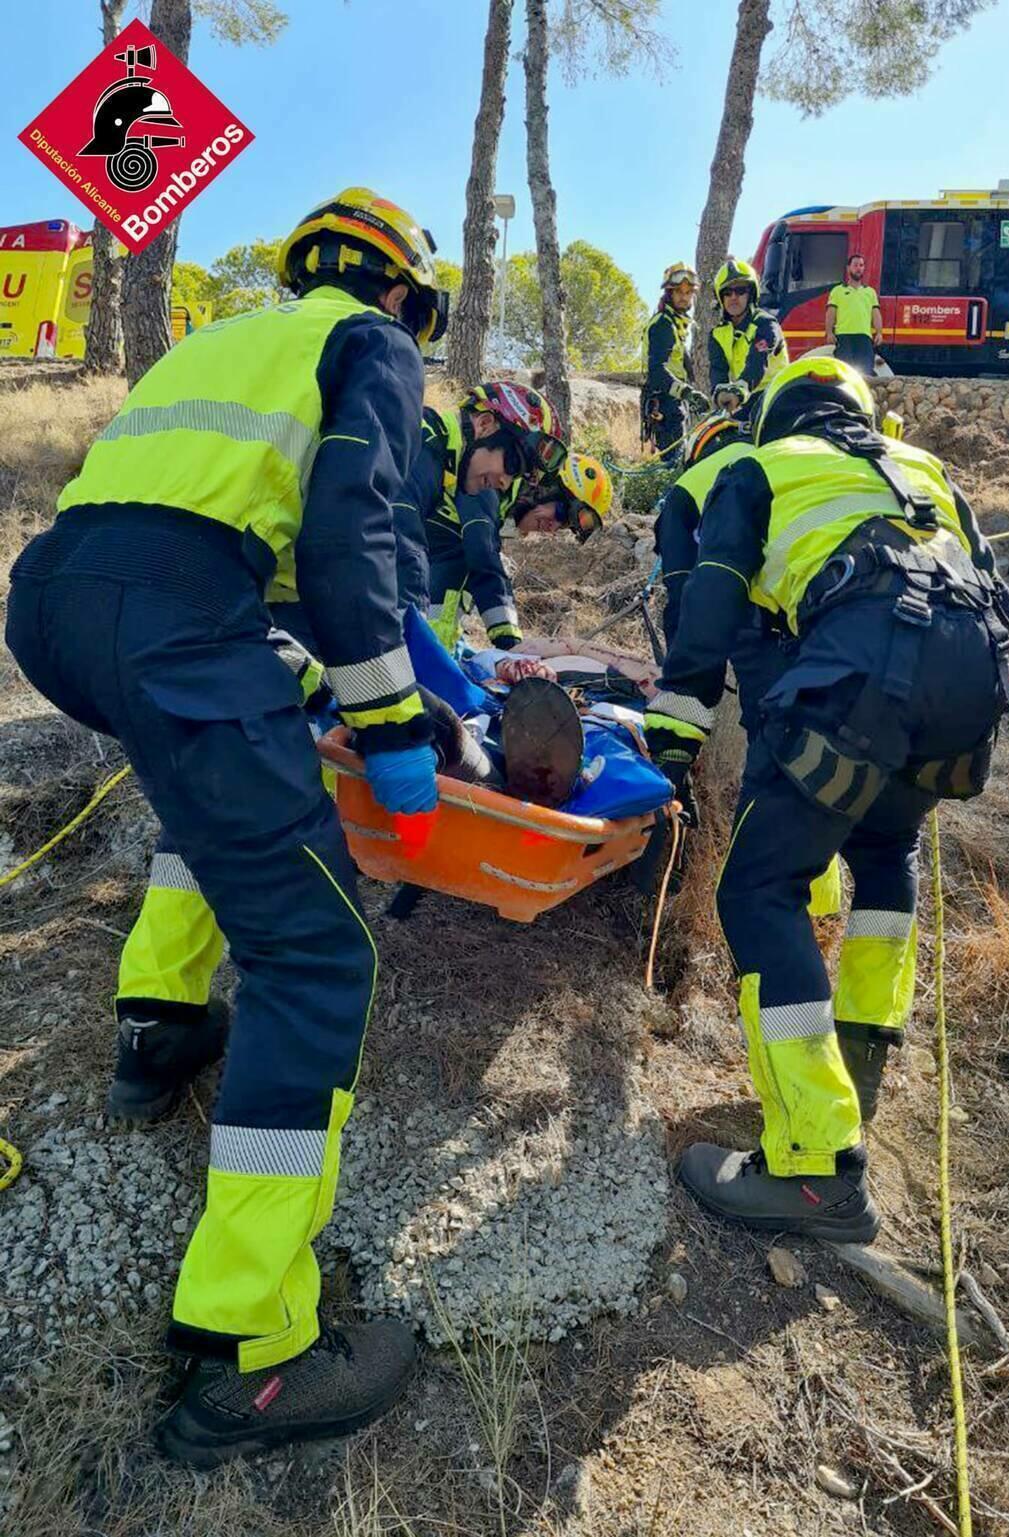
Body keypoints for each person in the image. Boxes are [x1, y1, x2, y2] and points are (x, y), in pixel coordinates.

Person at [6, 186, 450, 1464]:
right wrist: (400, 736)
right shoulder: (368, 345)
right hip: (174, 617)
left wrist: (305, 685)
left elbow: (211, 539)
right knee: (316, 957)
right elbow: (353, 542)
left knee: (212, 794)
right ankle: (246, 1352)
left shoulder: (215, 343)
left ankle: (155, 1035)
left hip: (56, 605)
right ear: (398, 289)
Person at [643, 356, 1009, 1242]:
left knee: (758, 887)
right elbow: (993, 583)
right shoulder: (925, 470)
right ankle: (863, 1043)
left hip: (870, 659)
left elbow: (710, 604)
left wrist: (675, 732)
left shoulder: (758, 467)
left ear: (779, 417)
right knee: (885, 847)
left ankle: (815, 1167)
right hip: (971, 685)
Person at [653, 413, 841, 917]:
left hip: (755, 615)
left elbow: (685, 602)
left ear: (698, 450)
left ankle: (789, 900)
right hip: (824, 613)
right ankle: (822, 902)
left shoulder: (685, 493)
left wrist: (681, 708)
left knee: (774, 743)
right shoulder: (779, 461)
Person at [397, 382, 566, 651]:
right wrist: (413, 642)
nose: (505, 482)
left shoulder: (444, 465)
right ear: (485, 424)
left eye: (517, 476)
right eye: (511, 464)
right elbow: (400, 539)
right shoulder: (422, 442)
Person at [641, 262, 708, 465]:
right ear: (668, 293)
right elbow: (657, 371)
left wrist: (694, 391)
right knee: (674, 463)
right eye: (678, 291)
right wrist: (687, 392)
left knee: (681, 458)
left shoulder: (675, 324)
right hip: (666, 403)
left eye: (688, 292)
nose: (683, 296)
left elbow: (682, 363)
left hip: (672, 401)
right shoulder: (663, 325)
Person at [707, 258, 788, 417]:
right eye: (727, 292)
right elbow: (718, 369)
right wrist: (719, 393)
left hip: (777, 398)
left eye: (740, 291)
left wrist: (741, 388)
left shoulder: (766, 324)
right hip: (747, 400)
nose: (733, 297)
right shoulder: (717, 334)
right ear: (721, 298)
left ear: (751, 294)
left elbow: (757, 360)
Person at [507, 450, 613, 545]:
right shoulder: (497, 487)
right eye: (560, 512)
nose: (552, 528)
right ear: (547, 487)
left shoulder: (505, 523)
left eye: (564, 525)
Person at [824, 253, 883, 377]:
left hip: (864, 338)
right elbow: (830, 313)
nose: (858, 268)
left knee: (865, 373)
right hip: (844, 337)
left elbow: (876, 313)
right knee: (844, 374)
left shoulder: (870, 292)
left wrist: (879, 332)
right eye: (855, 265)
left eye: (861, 265)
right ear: (848, 268)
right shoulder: (837, 291)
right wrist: (829, 332)